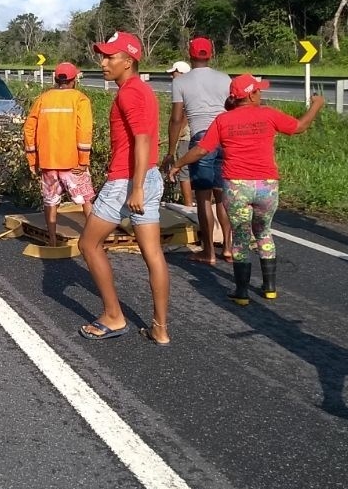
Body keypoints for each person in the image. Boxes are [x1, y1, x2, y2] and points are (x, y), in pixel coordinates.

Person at [169, 73, 324, 305]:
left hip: (237, 186)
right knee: (263, 232)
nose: (261, 93)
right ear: (251, 94)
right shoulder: (268, 114)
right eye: (259, 90)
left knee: (241, 236)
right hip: (266, 186)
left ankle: (241, 292)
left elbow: (201, 150)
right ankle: (269, 287)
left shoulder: (223, 120)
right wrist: (316, 106)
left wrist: (178, 164)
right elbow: (300, 126)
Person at [78, 31, 171, 346]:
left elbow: (143, 139)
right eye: (103, 56)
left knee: (88, 245)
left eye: (110, 57)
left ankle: (113, 316)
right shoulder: (144, 91)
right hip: (150, 176)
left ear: (128, 61)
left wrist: (136, 187)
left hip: (127, 181)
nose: (103, 63)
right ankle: (159, 329)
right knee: (153, 254)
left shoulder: (129, 93)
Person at [163, 38, 234, 266]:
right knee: (222, 195)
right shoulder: (225, 79)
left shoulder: (181, 82)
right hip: (225, 137)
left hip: (201, 137)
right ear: (211, 54)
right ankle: (229, 248)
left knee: (203, 198)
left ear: (189, 54)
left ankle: (209, 251)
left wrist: (171, 151)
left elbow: (176, 119)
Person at [23, 61, 95, 247]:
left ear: (55, 79)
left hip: (47, 161)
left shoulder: (43, 99)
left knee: (51, 200)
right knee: (86, 198)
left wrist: (33, 159)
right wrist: (83, 160)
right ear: (74, 80)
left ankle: (53, 241)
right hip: (72, 162)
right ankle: (94, 240)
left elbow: (29, 129)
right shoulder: (80, 99)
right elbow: (84, 130)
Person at [164, 61, 194, 207]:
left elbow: (179, 118)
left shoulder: (181, 87)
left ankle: (188, 205)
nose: (172, 76)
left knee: (183, 170)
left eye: (173, 73)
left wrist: (171, 147)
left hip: (187, 136)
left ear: (181, 73)